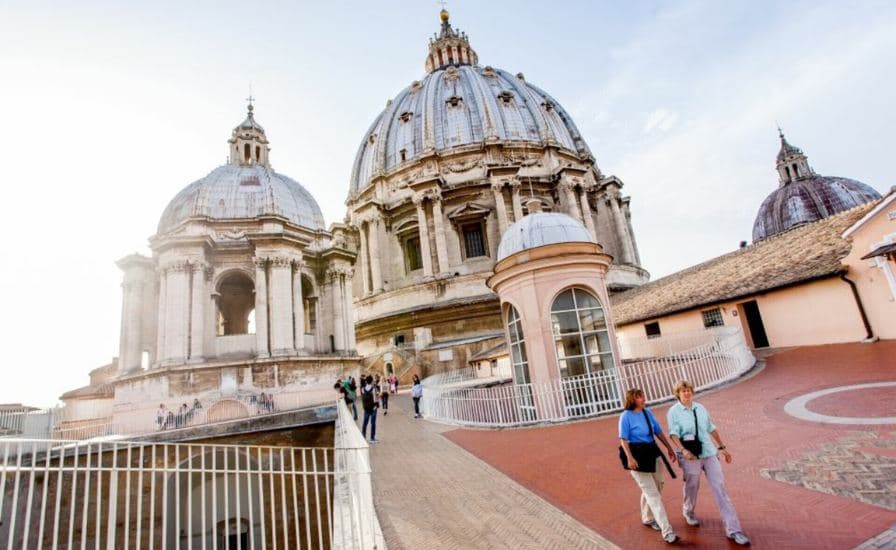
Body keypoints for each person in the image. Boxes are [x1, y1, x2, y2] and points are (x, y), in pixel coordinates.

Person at [667, 381, 750, 546]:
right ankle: (688, 511)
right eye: (683, 391)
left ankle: (733, 529)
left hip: (709, 453)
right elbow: (673, 434)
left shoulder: (701, 408)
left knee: (720, 488)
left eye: (689, 390)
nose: (687, 393)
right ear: (678, 394)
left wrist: (722, 447)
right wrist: (683, 450)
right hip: (690, 455)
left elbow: (711, 428)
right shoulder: (673, 412)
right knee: (692, 485)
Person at [618, 388, 679, 544]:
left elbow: (658, 432)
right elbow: (623, 439)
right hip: (637, 457)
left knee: (659, 485)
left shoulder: (647, 413)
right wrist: (630, 459)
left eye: (643, 396)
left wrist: (669, 448)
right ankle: (667, 531)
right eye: (639, 397)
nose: (643, 399)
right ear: (632, 399)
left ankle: (647, 517)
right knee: (653, 495)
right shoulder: (626, 416)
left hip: (652, 452)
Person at [360, 375, 379, 443]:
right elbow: (375, 398)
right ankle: (372, 438)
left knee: (365, 423)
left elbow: (362, 397)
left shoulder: (363, 389)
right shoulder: (374, 388)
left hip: (366, 408)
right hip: (373, 408)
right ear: (371, 381)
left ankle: (363, 436)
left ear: (366, 381)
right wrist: (377, 406)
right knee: (373, 423)